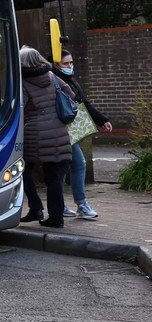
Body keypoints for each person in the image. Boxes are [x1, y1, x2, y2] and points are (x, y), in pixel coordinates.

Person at [53, 49, 113, 220]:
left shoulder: (71, 81)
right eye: (66, 63)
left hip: (69, 132)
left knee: (65, 167)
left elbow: (83, 103)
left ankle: (62, 204)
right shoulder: (55, 82)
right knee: (77, 164)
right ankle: (80, 204)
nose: (70, 66)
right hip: (62, 131)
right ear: (56, 64)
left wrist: (102, 120)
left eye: (71, 63)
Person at [19, 45, 74, 228]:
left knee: (21, 170)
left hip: (34, 133)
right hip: (58, 131)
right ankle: (56, 218)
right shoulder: (52, 76)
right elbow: (71, 94)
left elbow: (20, 107)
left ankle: (35, 207)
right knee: (54, 178)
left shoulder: (24, 82)